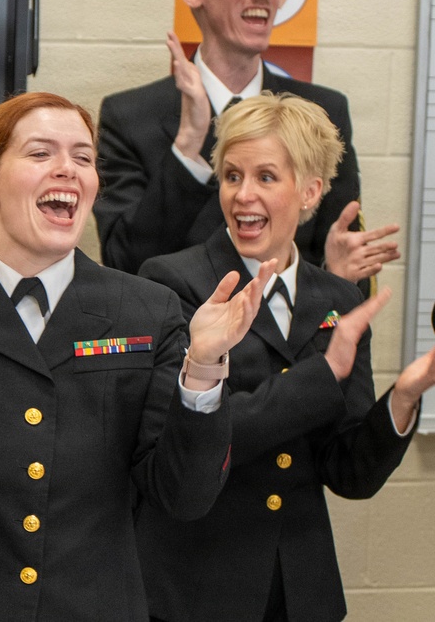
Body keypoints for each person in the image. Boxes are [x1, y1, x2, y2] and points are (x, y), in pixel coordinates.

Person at [0, 91, 275, 620]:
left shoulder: (145, 309)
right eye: (41, 153)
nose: (67, 169)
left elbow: (184, 497)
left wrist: (202, 368)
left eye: (83, 158)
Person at [137, 93, 433, 622]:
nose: (243, 196)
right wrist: (323, 374)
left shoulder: (340, 299)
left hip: (299, 591)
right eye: (232, 176)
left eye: (266, 177)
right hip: (196, 589)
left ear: (310, 191)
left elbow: (348, 473)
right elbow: (207, 436)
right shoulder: (172, 284)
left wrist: (404, 398)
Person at [94, 0, 399, 287]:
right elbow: (123, 265)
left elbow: (339, 259)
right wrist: (188, 147)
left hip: (289, 336)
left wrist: (340, 279)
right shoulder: (130, 116)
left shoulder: (325, 111)